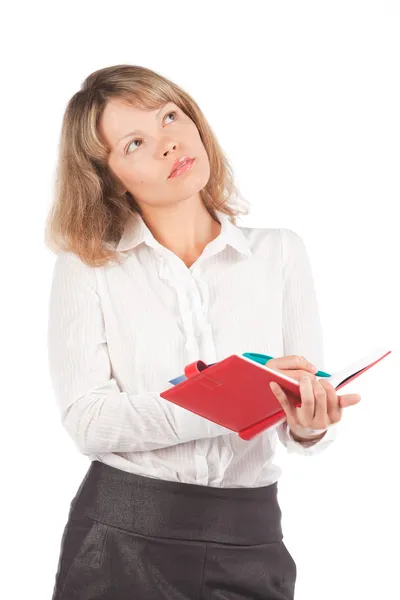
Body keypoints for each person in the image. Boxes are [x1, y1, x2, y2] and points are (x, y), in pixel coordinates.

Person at [46, 64, 361, 600]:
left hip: (250, 537)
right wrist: (229, 396)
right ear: (107, 175)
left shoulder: (281, 252)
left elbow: (302, 408)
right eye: (135, 142)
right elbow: (88, 421)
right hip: (121, 535)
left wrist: (311, 423)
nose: (168, 143)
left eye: (170, 115)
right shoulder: (88, 266)